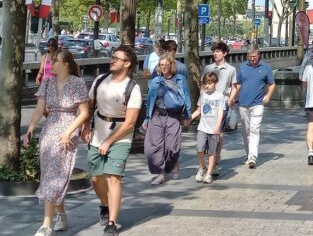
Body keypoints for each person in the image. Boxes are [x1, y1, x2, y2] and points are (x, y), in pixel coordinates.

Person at [24, 51, 89, 236]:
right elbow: (39, 109)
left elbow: (83, 113)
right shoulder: (47, 82)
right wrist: (30, 129)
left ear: (66, 64)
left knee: (56, 176)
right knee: (50, 176)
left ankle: (46, 224)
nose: (52, 64)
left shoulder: (77, 83)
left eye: (56, 61)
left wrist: (68, 132)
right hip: (49, 130)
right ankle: (59, 215)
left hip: (68, 130)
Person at [82, 46, 142, 236]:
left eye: (117, 58)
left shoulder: (133, 88)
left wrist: (109, 141)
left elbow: (130, 122)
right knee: (96, 178)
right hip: (97, 133)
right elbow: (88, 106)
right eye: (112, 57)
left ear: (127, 63)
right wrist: (85, 127)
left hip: (120, 137)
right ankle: (105, 204)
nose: (112, 60)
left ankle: (112, 223)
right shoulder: (100, 81)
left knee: (113, 178)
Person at [144, 53, 192, 185]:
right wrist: (146, 118)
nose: (164, 67)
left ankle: (174, 161)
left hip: (173, 116)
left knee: (172, 147)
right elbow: (149, 100)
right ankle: (160, 174)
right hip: (157, 116)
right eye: (161, 64)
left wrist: (187, 115)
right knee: (153, 148)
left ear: (172, 65)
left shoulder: (180, 79)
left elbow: (186, 97)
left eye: (166, 64)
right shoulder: (156, 81)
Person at [229, 45, 275, 169]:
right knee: (246, 131)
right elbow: (238, 84)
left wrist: (268, 95)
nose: (252, 59)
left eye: (254, 57)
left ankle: (253, 157)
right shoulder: (243, 67)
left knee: (254, 130)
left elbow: (272, 84)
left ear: (259, 55)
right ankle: (248, 154)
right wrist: (232, 97)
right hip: (243, 103)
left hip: (258, 103)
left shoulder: (265, 67)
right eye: (250, 57)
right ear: (247, 56)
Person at [202, 42, 237, 172]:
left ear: (224, 53)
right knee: (207, 132)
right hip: (208, 105)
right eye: (214, 51)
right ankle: (212, 157)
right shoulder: (208, 68)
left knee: (218, 134)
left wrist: (231, 98)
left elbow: (234, 86)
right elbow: (202, 85)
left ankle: (214, 161)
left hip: (222, 104)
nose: (215, 54)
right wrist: (201, 99)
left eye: (218, 51)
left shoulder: (231, 70)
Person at [190, 72, 226, 183]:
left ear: (215, 83)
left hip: (213, 129)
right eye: (206, 83)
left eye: (209, 83)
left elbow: (221, 113)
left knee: (212, 152)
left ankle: (209, 174)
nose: (207, 86)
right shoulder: (203, 95)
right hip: (203, 127)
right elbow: (199, 110)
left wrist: (218, 127)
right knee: (199, 148)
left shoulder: (220, 97)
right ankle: (203, 167)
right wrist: (189, 118)